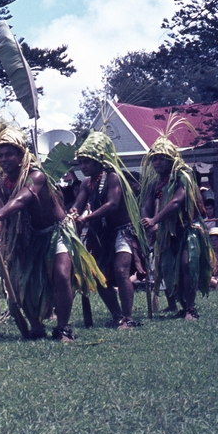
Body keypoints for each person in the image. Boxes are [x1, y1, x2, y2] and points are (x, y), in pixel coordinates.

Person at [0, 127, 104, 342]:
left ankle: (63, 328)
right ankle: (36, 326)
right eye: (0, 155)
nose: (3, 159)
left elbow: (21, 199)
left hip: (57, 231)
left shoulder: (36, 176)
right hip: (31, 237)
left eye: (9, 154)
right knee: (23, 283)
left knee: (62, 275)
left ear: (21, 156)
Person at [70, 131, 148, 329]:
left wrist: (88, 217)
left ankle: (128, 318)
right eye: (80, 163)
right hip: (104, 235)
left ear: (98, 161)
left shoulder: (113, 177)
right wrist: (72, 214)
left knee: (121, 271)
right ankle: (117, 315)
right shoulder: (87, 184)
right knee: (98, 276)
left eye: (86, 162)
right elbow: (78, 204)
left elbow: (112, 204)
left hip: (124, 231)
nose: (83, 166)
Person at [140, 135, 213, 320]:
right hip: (168, 231)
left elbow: (177, 201)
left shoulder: (183, 176)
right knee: (167, 267)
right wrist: (147, 222)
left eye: (161, 158)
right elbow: (145, 206)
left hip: (189, 228)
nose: (157, 162)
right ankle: (175, 304)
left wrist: (155, 219)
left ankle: (190, 309)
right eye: (154, 158)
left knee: (187, 264)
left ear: (171, 159)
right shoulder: (154, 182)